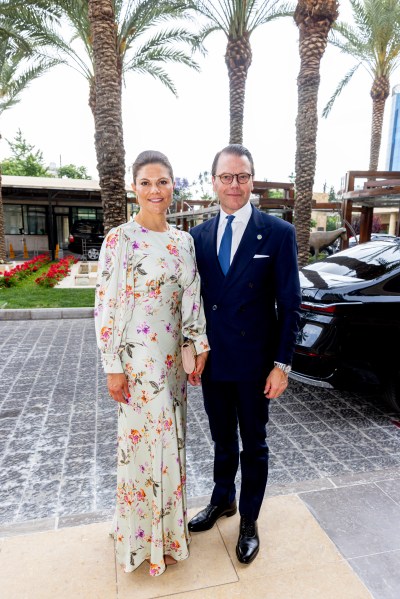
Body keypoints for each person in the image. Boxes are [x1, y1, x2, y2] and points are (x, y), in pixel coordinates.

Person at [94, 150, 209, 577]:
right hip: (138, 359)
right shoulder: (120, 239)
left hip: (172, 361)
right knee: (146, 444)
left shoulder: (184, 241)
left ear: (173, 186)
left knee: (170, 441)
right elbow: (106, 305)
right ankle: (143, 540)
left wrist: (197, 346)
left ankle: (167, 533)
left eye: (162, 182)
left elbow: (191, 296)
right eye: (146, 182)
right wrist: (112, 365)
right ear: (134, 188)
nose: (155, 190)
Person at [189, 144, 301, 564]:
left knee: (253, 443)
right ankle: (223, 500)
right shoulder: (196, 237)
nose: (234, 184)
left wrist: (282, 364)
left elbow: (290, 304)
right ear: (213, 181)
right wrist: (191, 349)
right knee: (221, 438)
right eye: (226, 177)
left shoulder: (277, 233)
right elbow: (192, 302)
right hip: (214, 361)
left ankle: (249, 519)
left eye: (242, 176)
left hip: (255, 364)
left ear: (252, 180)